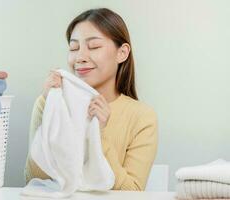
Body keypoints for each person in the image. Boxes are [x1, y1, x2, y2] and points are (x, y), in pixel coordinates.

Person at [24, 8, 158, 191]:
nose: (80, 57)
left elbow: (132, 192)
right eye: (74, 48)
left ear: (122, 53)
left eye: (94, 46)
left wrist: (99, 134)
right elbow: (34, 180)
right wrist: (51, 111)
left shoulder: (142, 117)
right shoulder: (47, 103)